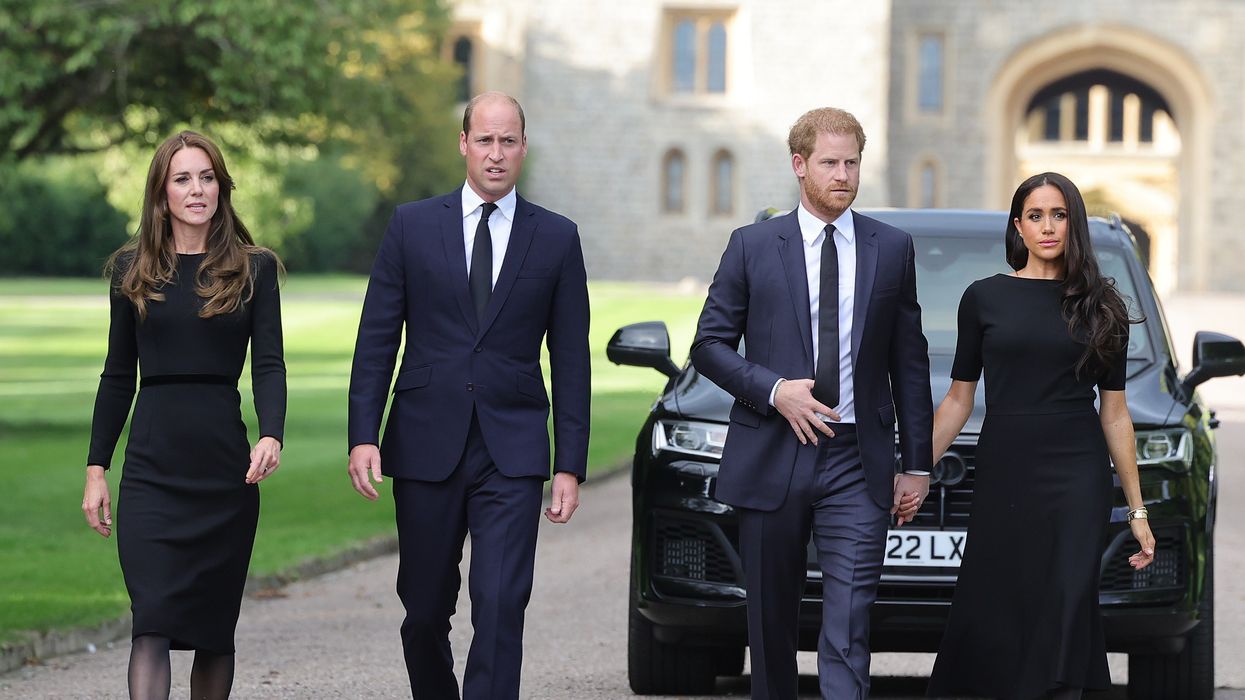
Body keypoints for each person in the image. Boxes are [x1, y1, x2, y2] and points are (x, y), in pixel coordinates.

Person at [346, 91, 591, 700]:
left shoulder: (557, 238)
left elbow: (571, 358)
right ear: (464, 144)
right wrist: (362, 435)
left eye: (508, 141)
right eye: (485, 140)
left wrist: (570, 464)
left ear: (523, 148)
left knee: (502, 601)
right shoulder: (411, 226)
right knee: (425, 608)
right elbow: (377, 338)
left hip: (513, 448)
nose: (496, 153)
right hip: (426, 441)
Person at [690, 107, 933, 699]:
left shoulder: (891, 247)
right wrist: (774, 390)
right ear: (799, 165)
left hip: (857, 456)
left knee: (849, 618)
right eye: (830, 163)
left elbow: (909, 361)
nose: (843, 174)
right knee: (771, 621)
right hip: (774, 448)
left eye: (852, 162)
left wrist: (917, 464)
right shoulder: (751, 245)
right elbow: (709, 345)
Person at [926, 172, 1156, 700]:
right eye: (1036, 216)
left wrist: (1138, 511)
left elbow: (1115, 414)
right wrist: (915, 468)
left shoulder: (1103, 306)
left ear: (1073, 224)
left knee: (1067, 596)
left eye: (1059, 215)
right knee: (998, 595)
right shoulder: (983, 298)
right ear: (1018, 227)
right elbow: (959, 399)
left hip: (1077, 472)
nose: (1048, 227)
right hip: (1006, 465)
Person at [81, 130, 286, 700]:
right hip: (152, 469)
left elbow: (269, 363)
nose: (196, 190)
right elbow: (117, 373)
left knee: (215, 633)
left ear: (221, 187)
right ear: (160, 193)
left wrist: (272, 433)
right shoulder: (131, 270)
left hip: (224, 471)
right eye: (182, 178)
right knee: (151, 621)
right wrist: (97, 468)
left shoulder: (255, 269)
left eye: (206, 177)